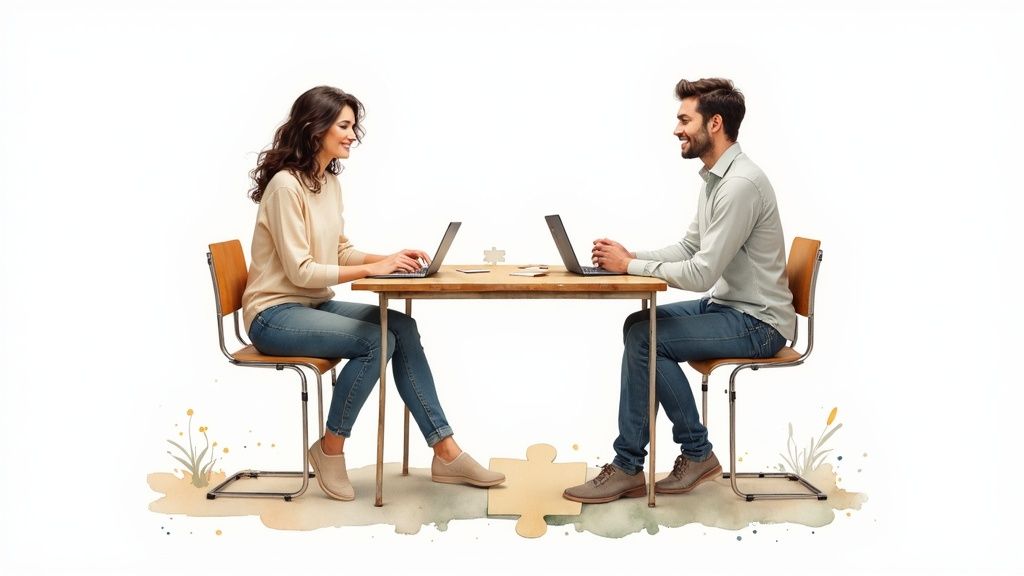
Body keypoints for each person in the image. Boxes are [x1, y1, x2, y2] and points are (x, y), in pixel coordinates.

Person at [241, 86, 504, 501]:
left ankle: (445, 451)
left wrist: (390, 257)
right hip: (273, 315)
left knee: (401, 325)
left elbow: (339, 250)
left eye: (352, 126)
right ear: (316, 128)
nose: (352, 135)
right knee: (376, 339)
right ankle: (330, 449)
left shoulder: (326, 182)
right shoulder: (285, 187)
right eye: (344, 126)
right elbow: (301, 270)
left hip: (310, 305)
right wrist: (372, 269)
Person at [563, 78, 795, 504]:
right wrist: (631, 255)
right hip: (731, 307)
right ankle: (631, 466)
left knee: (648, 337)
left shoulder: (740, 185)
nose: (677, 129)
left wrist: (628, 266)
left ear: (715, 123)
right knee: (639, 325)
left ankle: (691, 454)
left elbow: (702, 271)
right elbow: (690, 248)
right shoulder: (716, 180)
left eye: (685, 119)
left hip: (759, 323)